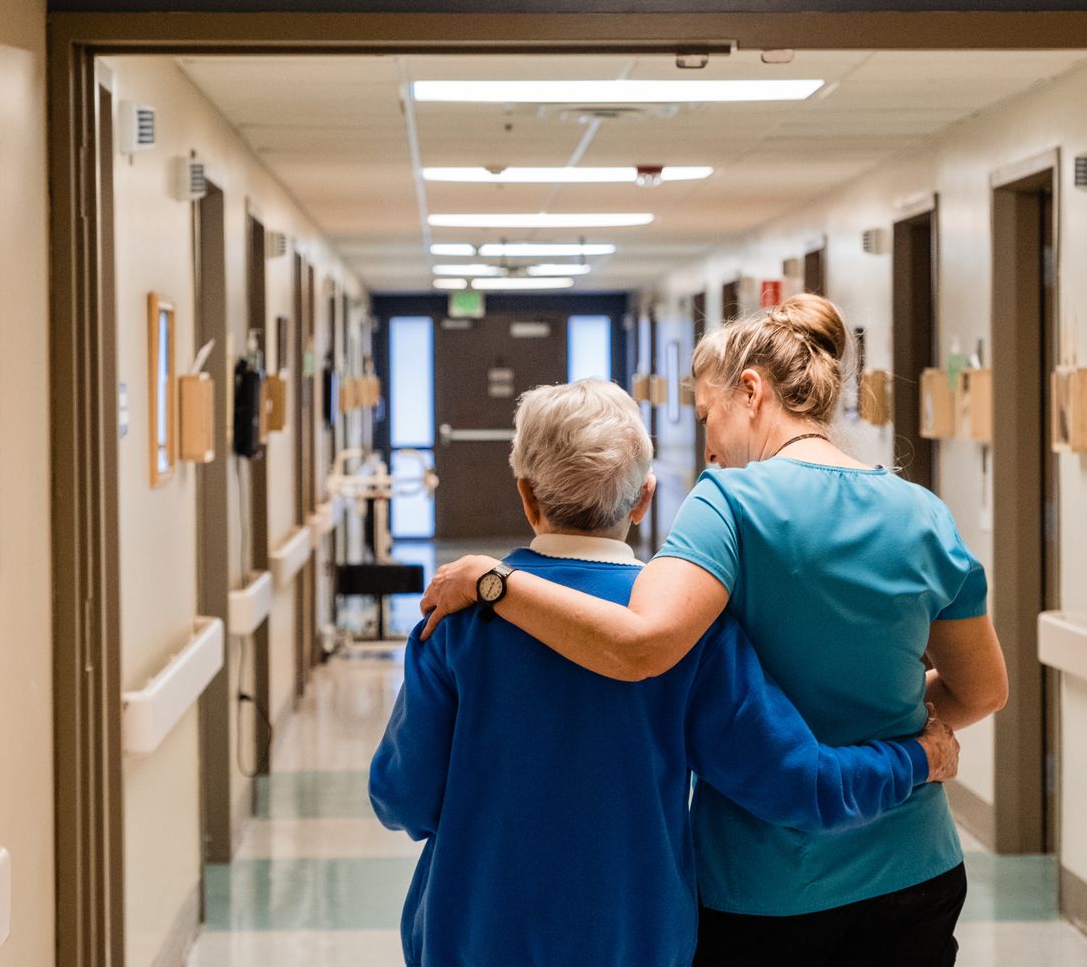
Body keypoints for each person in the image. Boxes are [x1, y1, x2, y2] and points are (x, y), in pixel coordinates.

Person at [421, 295, 1009, 965]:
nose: (707, 444)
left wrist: (495, 583)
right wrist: (907, 744)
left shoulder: (729, 504)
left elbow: (641, 644)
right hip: (915, 864)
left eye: (707, 415)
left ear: (751, 392)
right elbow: (984, 690)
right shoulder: (923, 513)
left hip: (767, 884)